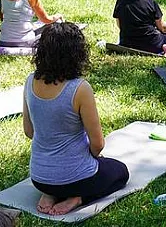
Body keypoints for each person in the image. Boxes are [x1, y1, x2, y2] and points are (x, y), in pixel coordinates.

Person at [22, 22, 130, 216]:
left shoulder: (30, 81)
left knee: (63, 179)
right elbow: (97, 145)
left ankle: (50, 193)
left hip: (39, 178)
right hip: (76, 178)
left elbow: (29, 132)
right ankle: (77, 197)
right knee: (120, 171)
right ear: (77, 54)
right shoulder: (79, 88)